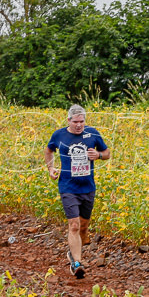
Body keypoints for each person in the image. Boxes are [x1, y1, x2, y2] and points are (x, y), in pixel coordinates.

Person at [44, 104, 111, 279]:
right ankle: (77, 263)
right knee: (73, 225)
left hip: (88, 187)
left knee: (83, 226)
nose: (79, 125)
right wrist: (51, 169)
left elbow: (107, 152)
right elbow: (49, 150)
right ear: (68, 121)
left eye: (82, 121)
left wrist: (99, 156)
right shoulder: (59, 135)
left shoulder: (93, 134)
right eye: (75, 122)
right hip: (68, 187)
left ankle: (73, 252)